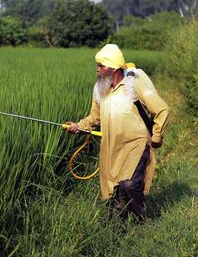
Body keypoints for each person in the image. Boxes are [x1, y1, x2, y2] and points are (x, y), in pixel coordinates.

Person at [64, 44, 171, 221]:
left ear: (113, 68)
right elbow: (94, 117)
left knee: (129, 184)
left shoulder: (133, 85)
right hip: (112, 146)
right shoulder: (100, 89)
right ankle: (119, 224)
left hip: (136, 143)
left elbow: (163, 110)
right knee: (115, 188)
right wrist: (79, 126)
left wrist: (157, 136)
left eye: (101, 66)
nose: (97, 70)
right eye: (97, 65)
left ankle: (141, 222)